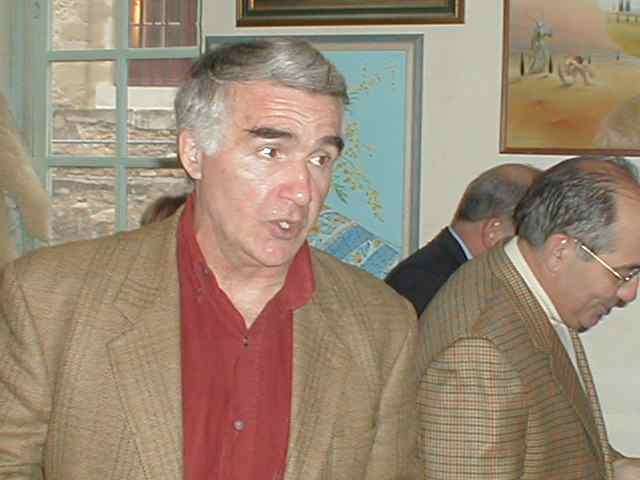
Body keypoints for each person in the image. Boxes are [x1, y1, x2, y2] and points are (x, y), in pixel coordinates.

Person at [0, 38, 419, 479]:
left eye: (320, 158)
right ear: (194, 154)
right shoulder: (49, 300)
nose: (302, 190)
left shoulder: (382, 325)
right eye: (270, 152)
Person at [418, 156, 640, 479]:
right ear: (560, 251)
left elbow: (565, 444)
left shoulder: (531, 288)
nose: (629, 293)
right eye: (623, 273)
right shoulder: (479, 355)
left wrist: (620, 467)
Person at [385, 163, 539, 317]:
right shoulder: (423, 283)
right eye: (531, 236)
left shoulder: (444, 272)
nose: (534, 250)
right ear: (494, 232)